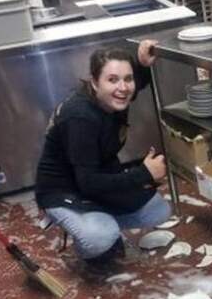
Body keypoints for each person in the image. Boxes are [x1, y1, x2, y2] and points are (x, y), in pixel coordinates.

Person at [35, 40, 172, 266]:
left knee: (158, 211)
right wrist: (144, 173)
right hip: (63, 190)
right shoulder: (80, 117)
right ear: (94, 82)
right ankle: (90, 234)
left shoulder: (113, 98)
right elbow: (87, 183)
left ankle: (99, 221)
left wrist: (141, 64)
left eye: (128, 79)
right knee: (99, 239)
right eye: (112, 79)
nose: (123, 88)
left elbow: (132, 85)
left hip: (96, 179)